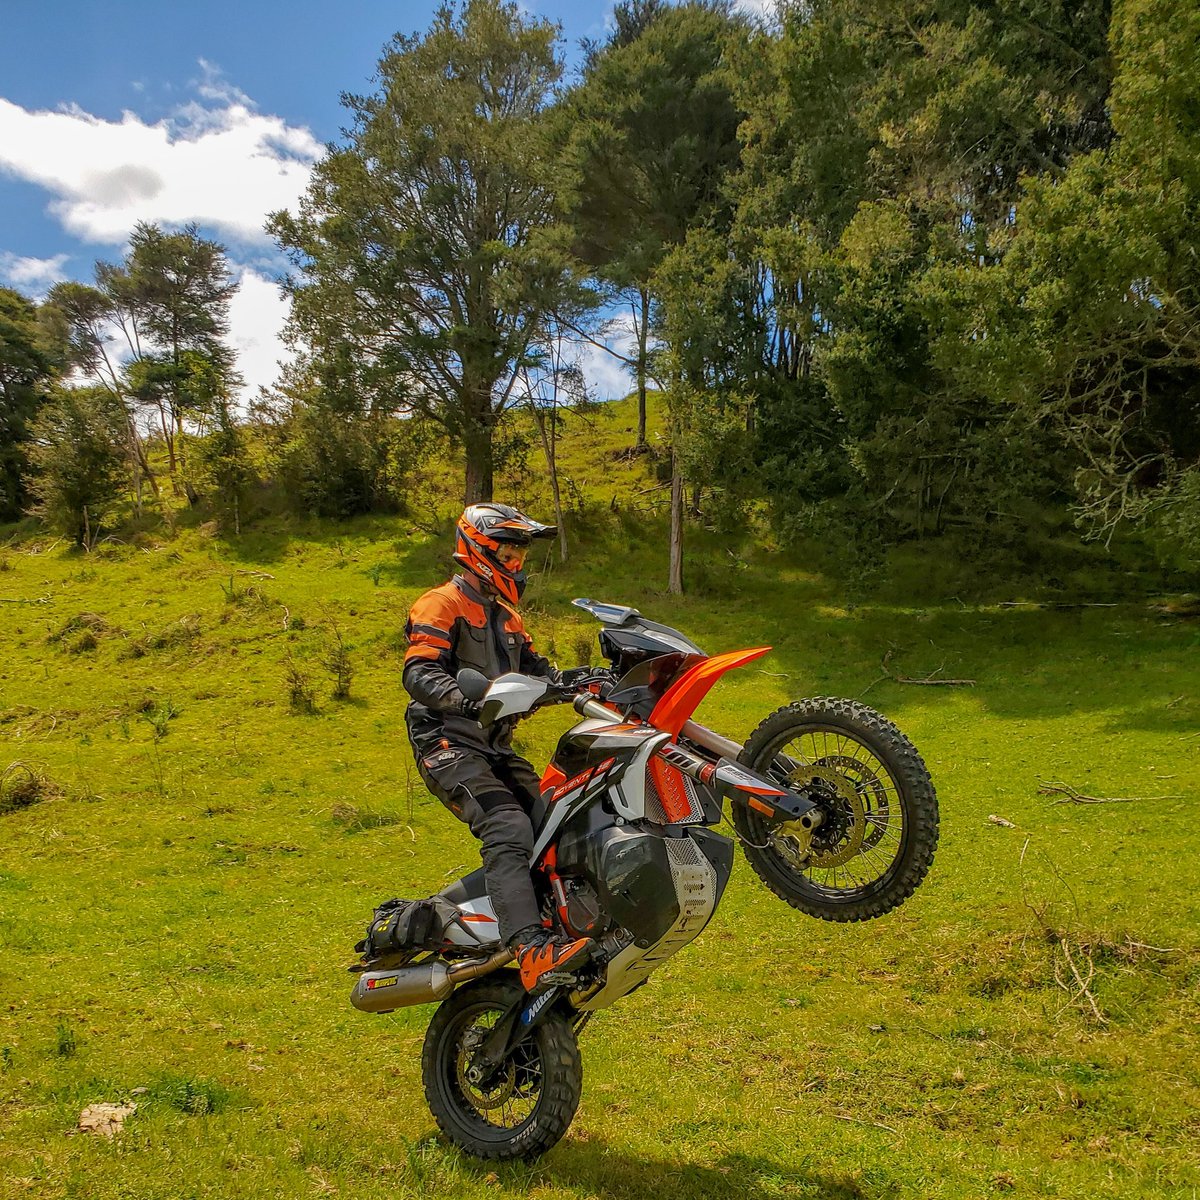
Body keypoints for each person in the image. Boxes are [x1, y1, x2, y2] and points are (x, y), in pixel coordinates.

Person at [402, 503, 594, 991]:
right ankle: (528, 946)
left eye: (519, 554)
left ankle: (556, 922)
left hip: (492, 746)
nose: (516, 563)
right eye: (508, 552)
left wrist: (590, 683)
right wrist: (467, 700)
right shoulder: (440, 603)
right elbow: (418, 672)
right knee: (507, 824)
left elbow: (541, 674)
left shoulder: (507, 616)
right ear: (479, 550)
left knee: (555, 815)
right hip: (445, 740)